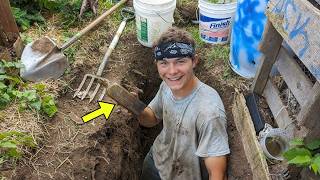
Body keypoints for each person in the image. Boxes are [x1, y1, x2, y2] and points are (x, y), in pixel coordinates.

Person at [138, 27, 230, 180]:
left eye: (180, 62)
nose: (172, 71)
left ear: (194, 61)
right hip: (156, 161)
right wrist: (133, 105)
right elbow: (151, 119)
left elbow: (217, 174)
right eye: (164, 63)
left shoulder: (209, 112)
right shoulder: (166, 86)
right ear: (157, 64)